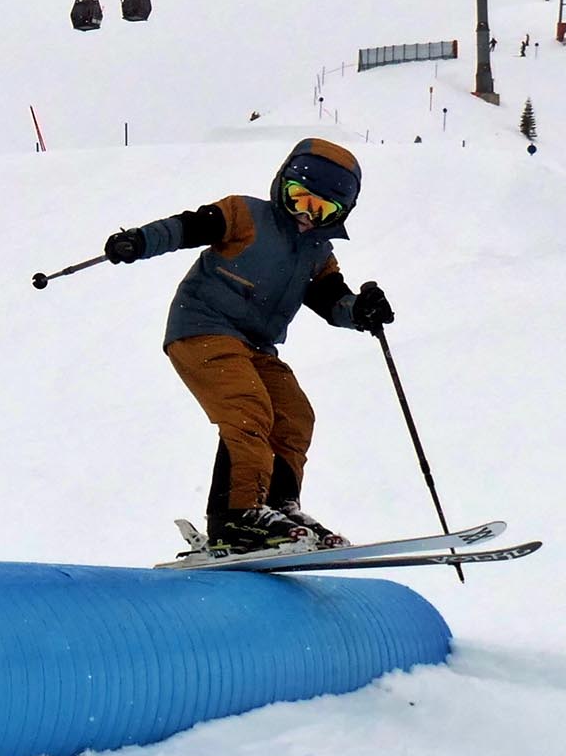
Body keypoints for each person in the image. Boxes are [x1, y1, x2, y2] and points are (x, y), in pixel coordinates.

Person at [102, 138, 393, 554]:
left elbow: (333, 301)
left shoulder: (317, 253)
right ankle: (236, 517)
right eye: (299, 199)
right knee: (247, 406)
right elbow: (186, 227)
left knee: (294, 414)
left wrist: (361, 311)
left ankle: (278, 506)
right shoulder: (245, 215)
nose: (307, 216)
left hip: (255, 346)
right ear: (281, 186)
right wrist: (140, 241)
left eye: (322, 209)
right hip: (202, 327)